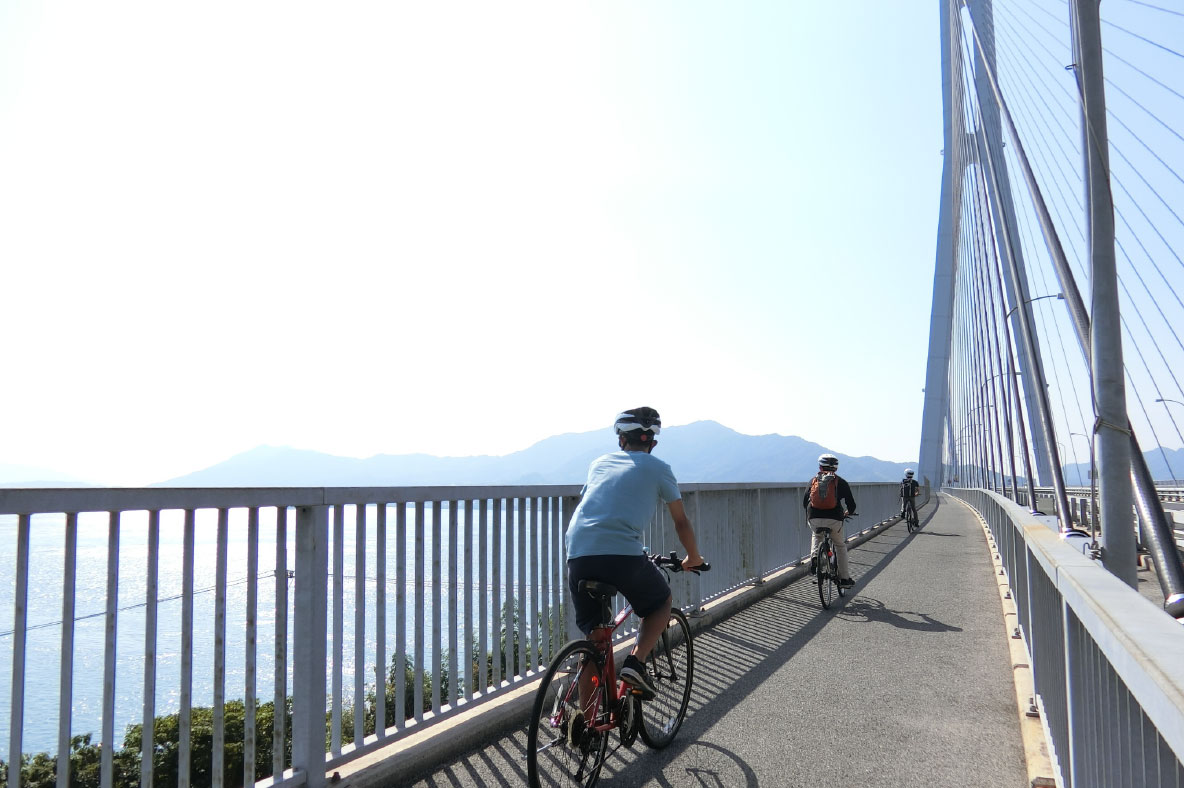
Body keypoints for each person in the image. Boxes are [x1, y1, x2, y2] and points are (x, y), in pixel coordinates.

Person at [565, 407, 706, 698]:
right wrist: (693, 557)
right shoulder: (659, 468)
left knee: (594, 639)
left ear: (621, 441)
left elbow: (598, 508)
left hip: (578, 551)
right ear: (652, 444)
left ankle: (586, 727)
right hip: (622, 556)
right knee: (660, 601)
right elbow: (680, 520)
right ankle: (636, 662)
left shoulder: (598, 464)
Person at [803, 453, 857, 589]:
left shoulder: (813, 481)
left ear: (820, 467)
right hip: (834, 519)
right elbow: (851, 505)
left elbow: (805, 502)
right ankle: (844, 579)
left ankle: (815, 558)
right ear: (836, 468)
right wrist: (848, 512)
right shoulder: (841, 482)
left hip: (814, 517)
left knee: (817, 535)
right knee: (839, 545)